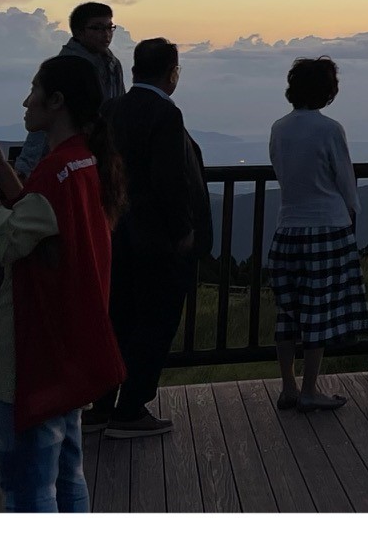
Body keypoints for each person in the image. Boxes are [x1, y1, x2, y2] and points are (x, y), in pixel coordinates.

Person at [0, 56, 125, 512]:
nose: (26, 101)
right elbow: (45, 221)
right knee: (68, 477)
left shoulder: (57, 172)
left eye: (34, 91)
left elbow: (12, 241)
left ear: (57, 101)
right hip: (69, 349)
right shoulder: (85, 161)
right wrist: (6, 181)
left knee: (29, 489)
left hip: (36, 354)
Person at [97, 37, 211, 439]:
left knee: (117, 318)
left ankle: (99, 408)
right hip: (156, 240)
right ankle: (131, 409)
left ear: (133, 70)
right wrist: (183, 231)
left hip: (116, 234)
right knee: (155, 322)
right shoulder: (166, 113)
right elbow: (170, 181)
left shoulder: (112, 109)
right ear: (172, 73)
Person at [266, 56, 368, 412]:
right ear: (328, 92)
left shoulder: (279, 127)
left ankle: (288, 386)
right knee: (318, 312)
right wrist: (353, 209)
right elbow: (344, 178)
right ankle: (311, 388)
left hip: (287, 227)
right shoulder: (330, 129)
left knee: (288, 311)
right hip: (327, 227)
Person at [17, 2, 126, 174]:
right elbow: (47, 119)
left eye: (109, 27)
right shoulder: (66, 68)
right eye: (97, 28)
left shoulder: (113, 65)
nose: (105, 34)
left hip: (101, 151)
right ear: (79, 32)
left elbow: (120, 106)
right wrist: (27, 167)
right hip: (69, 155)